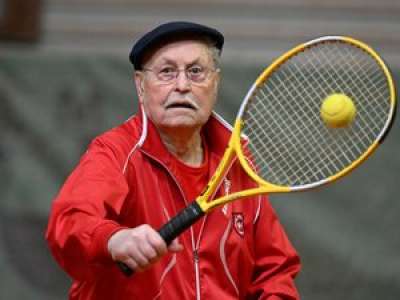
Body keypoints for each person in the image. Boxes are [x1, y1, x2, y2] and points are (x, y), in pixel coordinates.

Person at [46, 21, 301, 299]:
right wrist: (115, 239)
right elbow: (69, 222)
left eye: (196, 72)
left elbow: (275, 270)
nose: (182, 85)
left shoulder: (236, 159)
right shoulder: (114, 151)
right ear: (141, 87)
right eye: (167, 72)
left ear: (215, 83)